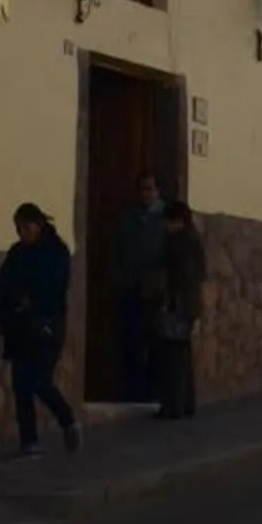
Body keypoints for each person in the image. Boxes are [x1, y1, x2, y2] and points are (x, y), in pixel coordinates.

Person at [0, 203, 79, 459]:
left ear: (38, 225)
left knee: (39, 381)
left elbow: (56, 287)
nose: (22, 233)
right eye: (18, 229)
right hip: (18, 328)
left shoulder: (56, 252)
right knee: (20, 386)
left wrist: (34, 301)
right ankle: (29, 442)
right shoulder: (17, 253)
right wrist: (1, 309)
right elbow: (3, 282)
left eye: (26, 227)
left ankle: (67, 418)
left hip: (46, 326)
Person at [114, 170, 169, 403]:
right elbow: (117, 252)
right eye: (142, 189)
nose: (146, 194)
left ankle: (155, 391)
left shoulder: (166, 220)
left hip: (156, 291)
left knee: (156, 344)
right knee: (131, 342)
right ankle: (133, 391)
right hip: (130, 287)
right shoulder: (128, 220)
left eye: (150, 189)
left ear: (158, 191)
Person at [154, 200, 206, 419]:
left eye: (168, 221)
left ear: (177, 221)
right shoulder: (193, 240)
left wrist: (168, 298)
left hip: (178, 304)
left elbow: (180, 275)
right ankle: (185, 403)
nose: (166, 225)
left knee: (173, 356)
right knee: (182, 354)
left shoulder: (178, 242)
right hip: (189, 304)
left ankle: (173, 405)